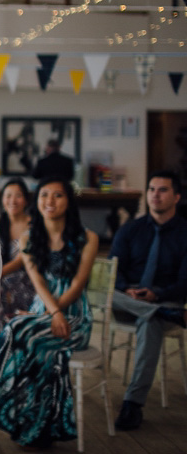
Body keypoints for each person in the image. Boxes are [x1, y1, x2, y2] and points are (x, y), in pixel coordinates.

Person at [0, 176, 100, 449]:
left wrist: (57, 313)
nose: (50, 201)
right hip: (43, 310)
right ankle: (35, 423)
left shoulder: (87, 238)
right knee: (23, 332)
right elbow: (38, 282)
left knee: (20, 330)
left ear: (68, 201)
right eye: (44, 195)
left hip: (73, 316)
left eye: (58, 195)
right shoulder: (30, 238)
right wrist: (48, 313)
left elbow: (78, 284)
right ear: (38, 201)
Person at [110, 170, 187, 431]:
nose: (155, 195)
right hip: (127, 299)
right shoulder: (130, 229)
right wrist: (125, 289)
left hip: (166, 298)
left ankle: (133, 403)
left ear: (176, 196)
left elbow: (185, 282)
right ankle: (160, 312)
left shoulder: (185, 233)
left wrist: (158, 296)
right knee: (94, 290)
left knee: (150, 322)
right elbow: (113, 269)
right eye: (152, 189)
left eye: (162, 190)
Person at [0, 178, 35, 332]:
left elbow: (21, 261)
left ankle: (3, 338)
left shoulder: (33, 225)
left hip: (26, 279)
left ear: (26, 200)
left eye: (18, 195)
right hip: (1, 276)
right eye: (8, 196)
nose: (12, 200)